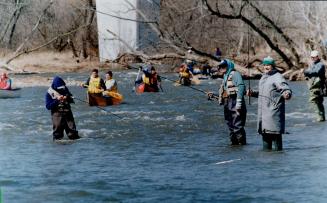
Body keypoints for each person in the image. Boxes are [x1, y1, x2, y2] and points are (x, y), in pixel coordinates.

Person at [247, 56, 292, 151]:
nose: (266, 67)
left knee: (277, 146)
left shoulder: (277, 77)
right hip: (263, 115)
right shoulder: (264, 77)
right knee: (266, 148)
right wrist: (253, 93)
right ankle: (266, 165)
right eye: (264, 65)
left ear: (273, 66)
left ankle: (278, 164)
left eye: (268, 65)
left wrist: (287, 94)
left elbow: (285, 88)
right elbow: (264, 93)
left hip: (273, 113)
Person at [208, 59, 247, 145]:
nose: (222, 68)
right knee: (231, 127)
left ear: (228, 66)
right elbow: (226, 92)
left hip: (235, 101)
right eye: (220, 66)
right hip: (227, 103)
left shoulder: (235, 74)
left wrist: (239, 103)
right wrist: (213, 95)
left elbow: (241, 87)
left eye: (224, 66)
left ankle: (242, 148)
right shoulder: (225, 76)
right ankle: (234, 147)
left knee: (237, 127)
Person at [45, 76, 80, 141]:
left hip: (68, 113)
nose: (61, 89)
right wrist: (57, 100)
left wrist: (67, 97)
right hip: (57, 114)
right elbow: (48, 106)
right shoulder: (49, 93)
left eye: (62, 87)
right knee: (58, 136)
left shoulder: (64, 88)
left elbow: (71, 99)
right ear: (55, 86)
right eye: (59, 87)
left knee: (73, 134)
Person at [303, 50, 326, 122]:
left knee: (314, 100)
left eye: (314, 57)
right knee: (318, 101)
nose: (312, 58)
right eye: (311, 57)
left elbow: (316, 72)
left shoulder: (320, 65)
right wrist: (306, 73)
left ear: (318, 57)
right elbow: (310, 72)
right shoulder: (313, 65)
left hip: (318, 86)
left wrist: (306, 72)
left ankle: (320, 117)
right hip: (314, 86)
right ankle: (321, 118)